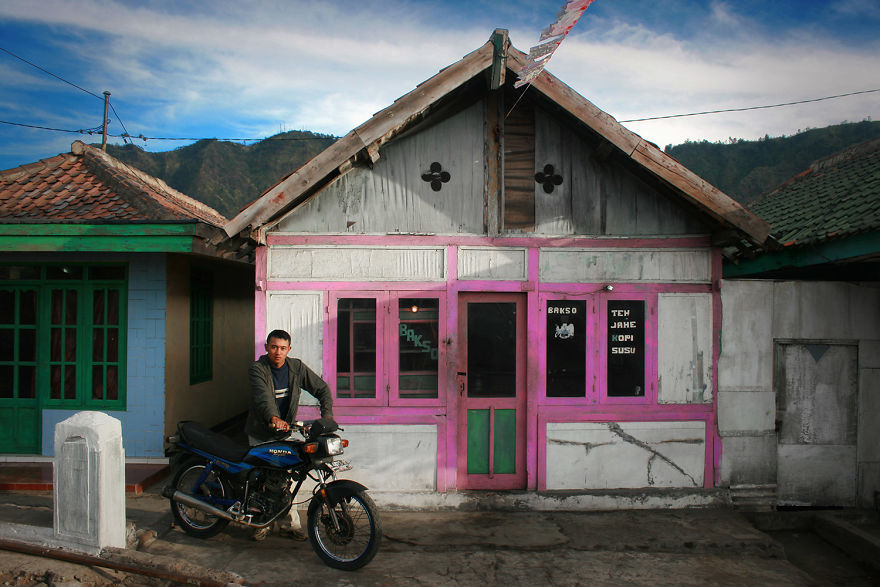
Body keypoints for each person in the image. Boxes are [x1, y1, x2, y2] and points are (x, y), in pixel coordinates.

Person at [245, 329, 334, 541]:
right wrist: (274, 418)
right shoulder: (258, 369)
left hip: (283, 432)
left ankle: (289, 525)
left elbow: (322, 389)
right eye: (274, 347)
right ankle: (261, 523)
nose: (278, 352)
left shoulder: (296, 368)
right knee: (263, 480)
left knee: (285, 481)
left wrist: (327, 417)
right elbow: (263, 398)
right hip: (261, 433)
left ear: (289, 349)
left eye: (283, 348)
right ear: (266, 348)